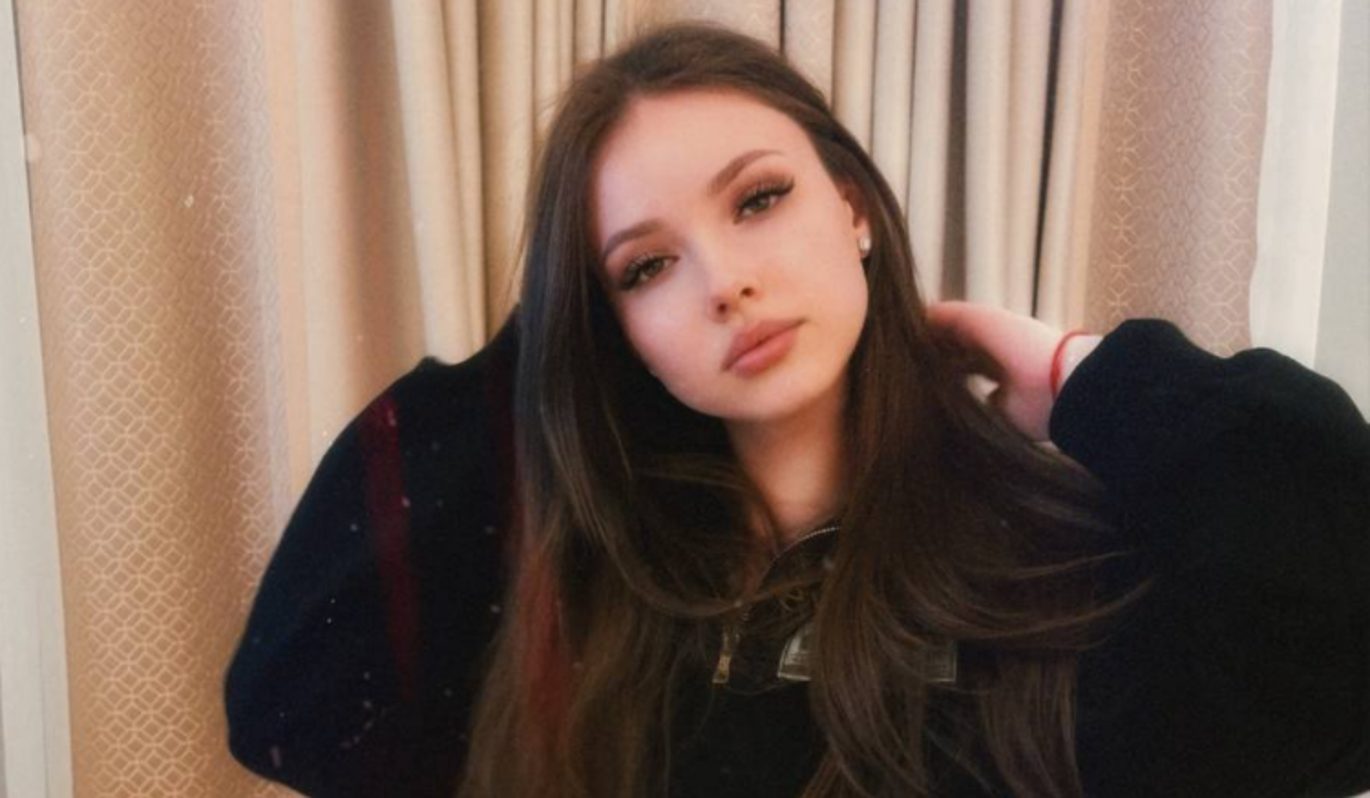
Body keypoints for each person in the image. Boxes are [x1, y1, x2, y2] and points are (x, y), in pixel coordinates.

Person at [225, 23, 1370, 798]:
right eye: (644, 268)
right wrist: (552, 349)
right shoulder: (581, 614)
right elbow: (288, 706)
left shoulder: (1055, 570)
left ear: (853, 205)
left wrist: (1086, 376)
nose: (723, 282)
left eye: (758, 199)